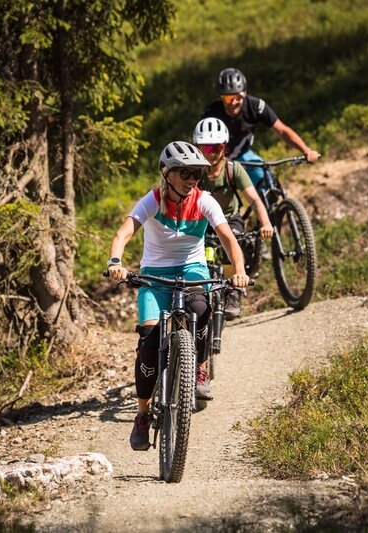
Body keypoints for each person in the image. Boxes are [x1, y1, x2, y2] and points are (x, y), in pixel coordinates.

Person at [107, 140, 249, 451]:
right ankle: (143, 414)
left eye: (197, 174)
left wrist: (238, 269)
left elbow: (228, 239)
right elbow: (123, 233)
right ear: (166, 173)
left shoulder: (205, 200)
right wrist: (115, 262)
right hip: (154, 276)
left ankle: (197, 367)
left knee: (200, 306)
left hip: (192, 270)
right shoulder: (153, 200)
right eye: (184, 173)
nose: (191, 180)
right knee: (148, 342)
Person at [192, 117, 273, 320]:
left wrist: (266, 223)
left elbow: (254, 199)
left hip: (229, 219)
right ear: (197, 148)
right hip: (202, 222)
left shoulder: (233, 169)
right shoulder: (193, 172)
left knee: (233, 241)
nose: (211, 153)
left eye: (216, 147)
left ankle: (233, 293)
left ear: (224, 146)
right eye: (205, 147)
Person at [201, 67, 321, 191]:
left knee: (269, 184)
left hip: (244, 155)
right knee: (223, 200)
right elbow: (204, 145)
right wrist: (215, 161)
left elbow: (282, 131)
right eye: (228, 98)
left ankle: (270, 207)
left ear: (245, 92)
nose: (233, 102)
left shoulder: (255, 106)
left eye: (237, 96)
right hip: (219, 159)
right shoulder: (211, 113)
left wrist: (306, 150)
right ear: (221, 97)